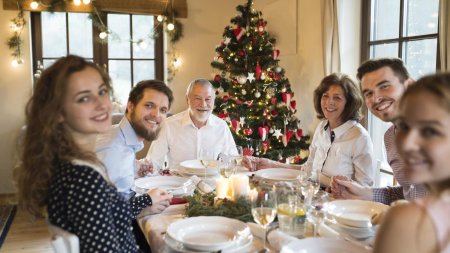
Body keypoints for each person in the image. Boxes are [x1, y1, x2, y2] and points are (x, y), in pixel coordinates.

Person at [14, 55, 159, 252]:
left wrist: (144, 202)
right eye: (83, 98)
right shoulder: (84, 179)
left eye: (102, 92)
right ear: (58, 112)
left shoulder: (74, 163)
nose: (102, 104)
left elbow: (106, 218)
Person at [243, 73, 376, 187]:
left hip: (340, 207)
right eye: (325, 96)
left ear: (349, 103)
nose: (329, 102)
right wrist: (270, 164)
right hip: (313, 197)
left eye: (337, 98)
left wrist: (343, 189)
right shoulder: (322, 127)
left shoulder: (359, 137)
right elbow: (308, 170)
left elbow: (365, 189)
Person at [332, 58, 428, 204]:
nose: (376, 98)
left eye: (384, 86)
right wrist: (364, 193)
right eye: (369, 93)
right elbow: (410, 192)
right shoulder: (390, 137)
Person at [374, 72, 450, 253]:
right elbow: (410, 191)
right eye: (405, 126)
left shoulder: (409, 222)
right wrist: (366, 193)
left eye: (430, 131)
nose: (407, 144)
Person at [96, 80, 174, 252]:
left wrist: (135, 169)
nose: (156, 115)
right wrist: (144, 203)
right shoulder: (114, 149)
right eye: (149, 105)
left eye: (163, 110)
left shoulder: (117, 136)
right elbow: (99, 216)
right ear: (131, 106)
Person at [146, 78, 238, 171]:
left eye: (208, 99)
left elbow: (232, 161)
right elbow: (153, 163)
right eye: (198, 98)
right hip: (178, 183)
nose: (203, 104)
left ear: (213, 101)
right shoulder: (168, 125)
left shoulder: (221, 127)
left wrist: (243, 162)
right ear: (187, 99)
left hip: (211, 184)